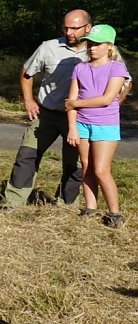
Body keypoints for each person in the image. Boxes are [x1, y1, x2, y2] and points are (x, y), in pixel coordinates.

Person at [0, 10, 92, 208]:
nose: (69, 32)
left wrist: (110, 108)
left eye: (75, 28)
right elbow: (26, 72)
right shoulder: (48, 47)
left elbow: (123, 82)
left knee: (74, 164)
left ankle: (67, 205)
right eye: (66, 27)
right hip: (47, 114)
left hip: (80, 118)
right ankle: (12, 203)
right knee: (27, 156)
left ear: (88, 28)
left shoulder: (98, 49)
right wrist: (28, 100)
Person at [65, 24, 131, 228]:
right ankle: (90, 207)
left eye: (97, 44)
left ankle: (114, 213)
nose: (92, 47)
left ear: (109, 46)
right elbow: (71, 100)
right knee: (86, 166)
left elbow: (106, 99)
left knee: (102, 170)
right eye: (90, 43)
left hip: (105, 124)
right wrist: (72, 127)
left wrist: (75, 103)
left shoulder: (116, 68)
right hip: (82, 123)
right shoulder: (80, 68)